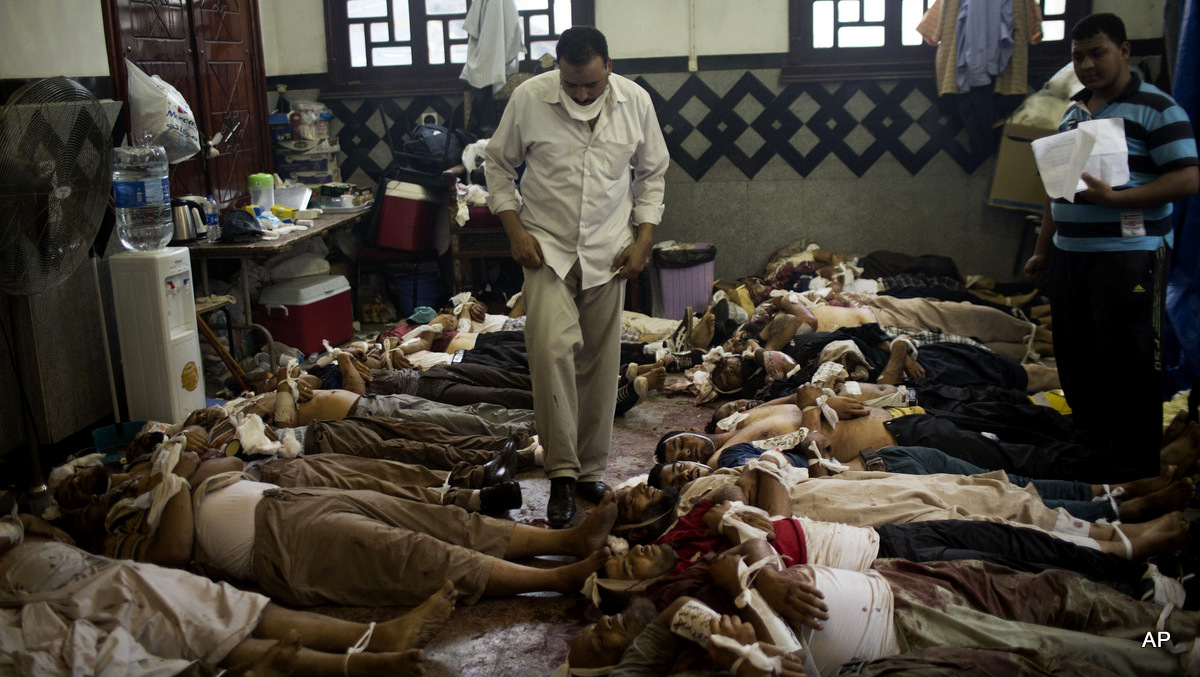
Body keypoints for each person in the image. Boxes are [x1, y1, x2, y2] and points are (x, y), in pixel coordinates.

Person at [61, 435, 617, 609]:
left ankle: (564, 539)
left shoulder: (145, 487)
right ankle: (557, 578)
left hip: (286, 500)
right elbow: (175, 552)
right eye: (80, 503)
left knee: (435, 521)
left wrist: (183, 470)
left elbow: (228, 464)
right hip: (279, 544)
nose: (91, 496)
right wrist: (177, 481)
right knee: (411, 555)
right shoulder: (120, 541)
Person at [484, 25, 670, 527]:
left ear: (608, 66)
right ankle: (561, 474)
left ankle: (590, 470)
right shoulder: (529, 99)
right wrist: (514, 229)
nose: (583, 94)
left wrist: (643, 240)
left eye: (591, 84)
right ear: (558, 72)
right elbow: (498, 166)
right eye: (573, 85)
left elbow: (652, 175)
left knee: (599, 361)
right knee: (550, 353)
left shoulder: (635, 102)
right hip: (545, 250)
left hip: (609, 251)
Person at [1024, 13, 1200, 480]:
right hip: (1071, 255)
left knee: (1129, 358)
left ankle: (1134, 463)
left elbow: (1186, 178)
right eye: (1078, 56)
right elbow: (1055, 188)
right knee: (1077, 355)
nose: (1086, 64)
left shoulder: (1157, 108)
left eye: (1097, 53)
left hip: (1129, 256)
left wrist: (1117, 199)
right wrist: (1044, 248)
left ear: (1123, 50)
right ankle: (1091, 447)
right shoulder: (1074, 110)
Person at [0, 512, 453, 675]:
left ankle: (380, 635)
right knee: (198, 631)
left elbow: (222, 463)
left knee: (228, 607)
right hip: (75, 586)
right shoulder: (125, 522)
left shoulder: (135, 496)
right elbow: (175, 547)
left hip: (98, 572)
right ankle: (357, 663)